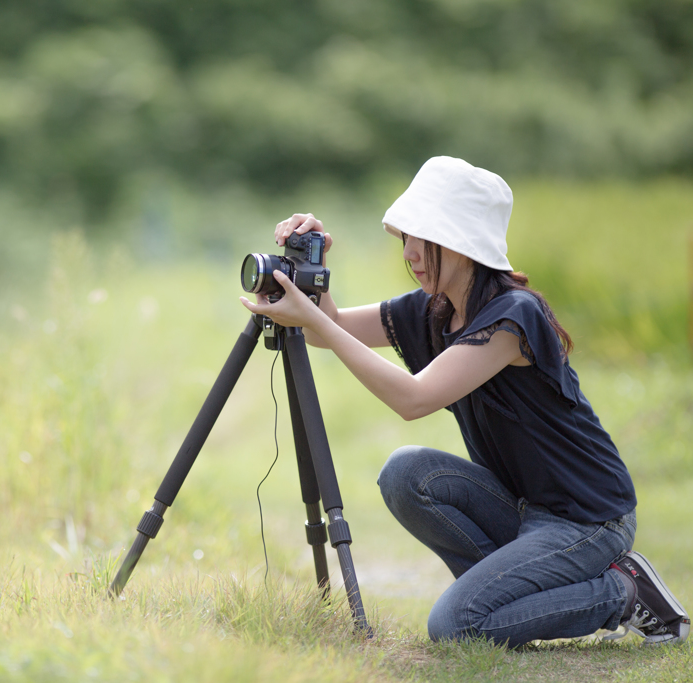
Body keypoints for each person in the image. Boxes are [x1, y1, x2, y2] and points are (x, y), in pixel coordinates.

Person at [239, 156, 689, 647]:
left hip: (587, 515)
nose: (409, 252)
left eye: (421, 237)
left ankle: (623, 591)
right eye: (405, 238)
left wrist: (313, 319)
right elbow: (335, 329)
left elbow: (414, 400)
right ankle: (516, 599)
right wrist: (312, 268)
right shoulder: (435, 310)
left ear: (458, 240)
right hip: (524, 505)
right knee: (405, 473)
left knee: (456, 627)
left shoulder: (513, 318)